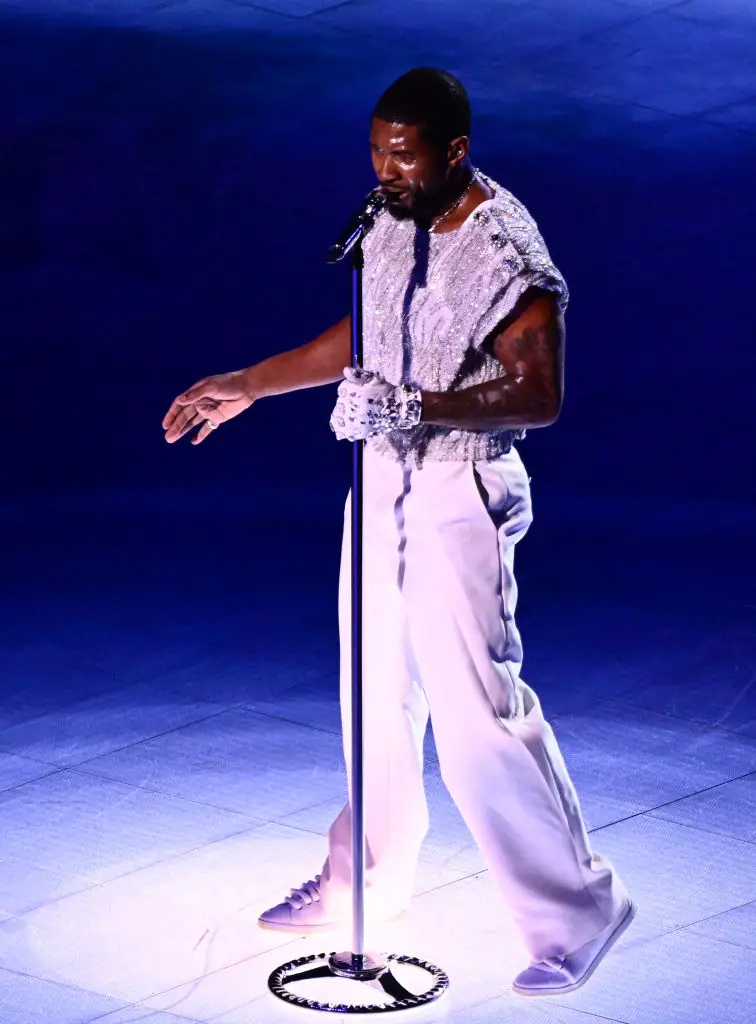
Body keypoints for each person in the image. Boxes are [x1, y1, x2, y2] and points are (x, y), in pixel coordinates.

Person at [162, 67, 635, 997]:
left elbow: (539, 392)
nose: (386, 168)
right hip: (378, 475)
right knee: (371, 692)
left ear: (455, 151)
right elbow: (370, 332)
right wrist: (250, 383)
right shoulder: (386, 218)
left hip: (460, 483)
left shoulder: (505, 247)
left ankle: (578, 911)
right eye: (377, 150)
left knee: (473, 719)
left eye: (404, 154)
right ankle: (365, 881)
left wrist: (416, 404)